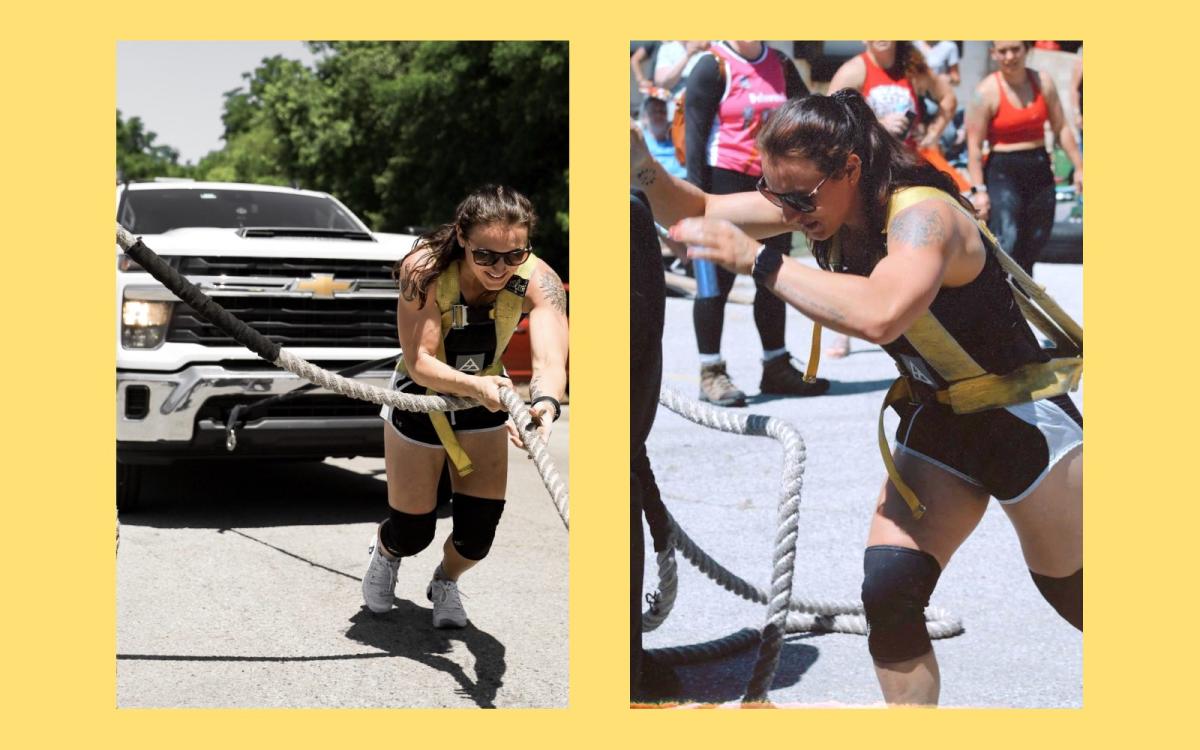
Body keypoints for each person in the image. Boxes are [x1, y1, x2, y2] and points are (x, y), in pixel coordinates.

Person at [631, 89, 1082, 706]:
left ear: (850, 167)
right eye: (777, 195)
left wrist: (761, 264)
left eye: (799, 197)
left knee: (1084, 600)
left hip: (1022, 423)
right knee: (889, 593)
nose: (788, 210)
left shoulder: (924, 216)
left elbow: (881, 314)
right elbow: (706, 204)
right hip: (940, 423)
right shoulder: (820, 201)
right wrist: (638, 166)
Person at [363, 185, 569, 628]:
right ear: (461, 236)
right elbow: (420, 363)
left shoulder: (536, 280)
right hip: (422, 398)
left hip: (487, 397)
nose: (500, 268)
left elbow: (550, 360)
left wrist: (546, 404)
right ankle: (386, 551)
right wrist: (478, 388)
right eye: (486, 256)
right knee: (413, 531)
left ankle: (446, 582)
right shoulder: (426, 270)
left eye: (514, 255)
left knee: (477, 535)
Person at [685, 40, 826, 406]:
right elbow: (696, 139)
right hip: (725, 181)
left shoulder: (779, 63)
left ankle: (776, 365)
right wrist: (694, 204)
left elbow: (806, 117)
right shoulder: (712, 66)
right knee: (716, 281)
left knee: (772, 274)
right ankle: (711, 371)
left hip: (773, 186)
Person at [825, 41, 960, 359]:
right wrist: (875, 127)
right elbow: (828, 122)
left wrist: (934, 134)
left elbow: (948, 99)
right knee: (852, 248)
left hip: (904, 171)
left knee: (905, 250)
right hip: (865, 174)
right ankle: (842, 331)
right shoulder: (854, 70)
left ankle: (917, 325)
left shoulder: (912, 67)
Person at [966, 41, 1083, 277]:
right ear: (993, 54)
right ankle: (1004, 298)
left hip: (1038, 166)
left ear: (1026, 50)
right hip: (1003, 171)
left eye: (1015, 49)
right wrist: (979, 190)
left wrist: (1080, 167)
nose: (1010, 56)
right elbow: (974, 147)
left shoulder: (1043, 82)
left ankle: (1023, 297)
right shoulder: (985, 92)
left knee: (1037, 238)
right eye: (1002, 51)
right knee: (1007, 239)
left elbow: (1061, 129)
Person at [638, 94, 686, 180]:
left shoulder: (676, 138)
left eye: (662, 111)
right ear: (644, 118)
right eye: (654, 112)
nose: (659, 115)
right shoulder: (640, 142)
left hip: (685, 182)